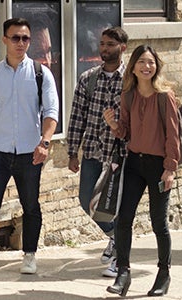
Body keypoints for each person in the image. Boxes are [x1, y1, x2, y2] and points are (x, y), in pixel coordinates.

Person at [0, 17, 59, 276]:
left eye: (25, 38)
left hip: (30, 151)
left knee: (30, 205)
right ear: (5, 39)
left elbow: (51, 111)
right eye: (15, 38)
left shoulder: (41, 73)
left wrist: (45, 143)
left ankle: (29, 255)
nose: (21, 43)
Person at [102, 45, 180, 297]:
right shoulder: (128, 96)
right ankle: (123, 273)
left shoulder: (164, 96)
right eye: (142, 63)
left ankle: (163, 274)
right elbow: (126, 133)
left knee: (159, 223)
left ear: (156, 66)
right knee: (123, 219)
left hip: (159, 166)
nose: (147, 67)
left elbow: (173, 136)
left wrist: (170, 169)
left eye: (151, 62)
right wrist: (114, 124)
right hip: (134, 162)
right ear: (133, 66)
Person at [67, 26, 128, 278]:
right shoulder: (88, 78)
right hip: (92, 151)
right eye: (102, 44)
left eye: (110, 45)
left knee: (118, 206)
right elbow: (77, 116)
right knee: (86, 201)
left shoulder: (131, 81)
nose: (104, 49)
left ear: (122, 47)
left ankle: (120, 258)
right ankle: (117, 238)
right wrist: (72, 151)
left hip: (120, 154)